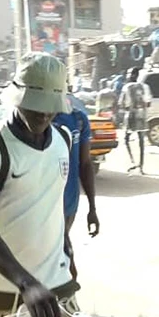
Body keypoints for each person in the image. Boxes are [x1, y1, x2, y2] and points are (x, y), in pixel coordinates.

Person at [0, 52, 82, 317]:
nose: (43, 114)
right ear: (17, 99)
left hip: (57, 283)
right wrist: (26, 283)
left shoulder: (63, 139)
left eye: (50, 107)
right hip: (4, 290)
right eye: (35, 105)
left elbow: (52, 207)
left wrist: (67, 250)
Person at [53, 92, 101, 280]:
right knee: (64, 261)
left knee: (60, 254)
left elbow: (85, 164)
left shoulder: (78, 119)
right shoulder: (35, 120)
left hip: (69, 203)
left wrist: (92, 208)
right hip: (44, 204)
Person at [118, 67, 152, 175]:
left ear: (133, 75)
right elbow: (149, 102)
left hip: (131, 116)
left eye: (129, 73)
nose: (127, 76)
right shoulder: (145, 87)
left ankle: (132, 162)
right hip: (142, 116)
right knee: (141, 141)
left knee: (126, 139)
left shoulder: (127, 87)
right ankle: (141, 166)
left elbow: (121, 103)